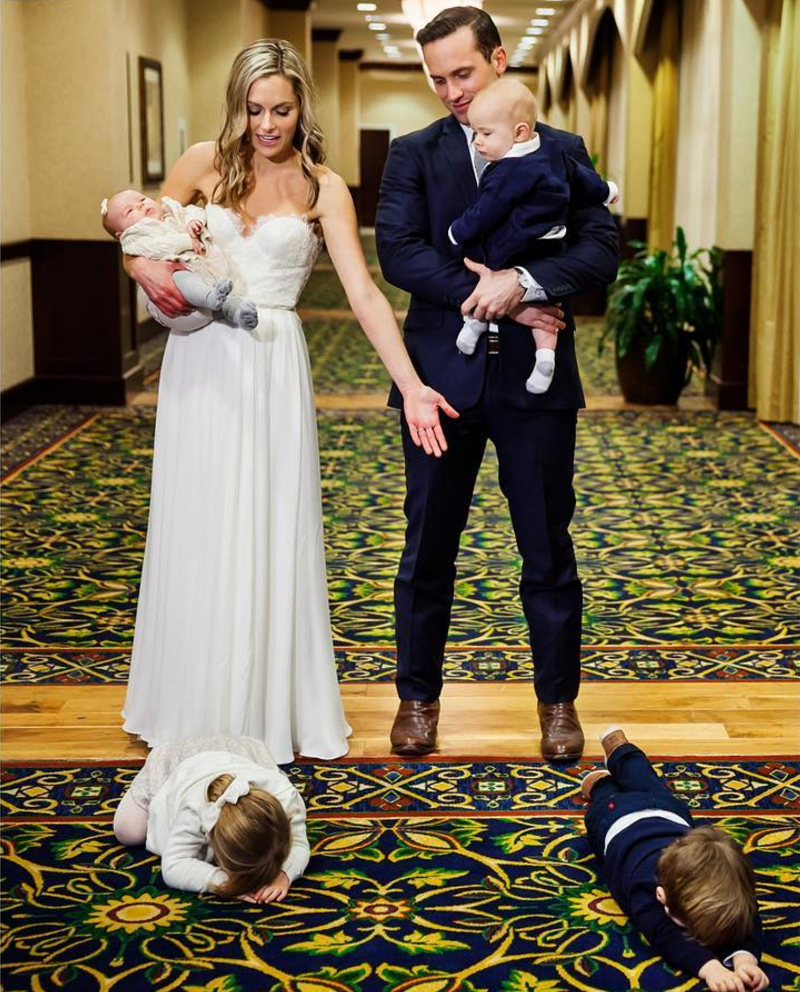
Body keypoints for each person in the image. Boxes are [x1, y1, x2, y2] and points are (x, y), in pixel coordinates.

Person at [121, 39, 458, 763]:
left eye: (280, 110)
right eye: (253, 110)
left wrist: (411, 385)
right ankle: (190, 701)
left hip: (273, 362)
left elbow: (364, 294)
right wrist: (140, 264)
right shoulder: (201, 163)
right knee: (199, 522)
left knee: (268, 525)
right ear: (236, 107)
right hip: (198, 365)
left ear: (302, 106)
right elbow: (137, 228)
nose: (267, 125)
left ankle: (266, 707)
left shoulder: (323, 188)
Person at [375, 7, 619, 760]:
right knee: (427, 547)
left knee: (546, 547)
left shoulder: (561, 148)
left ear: (499, 60)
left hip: (535, 390)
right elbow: (400, 253)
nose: (451, 91)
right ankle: (417, 699)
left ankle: (558, 705)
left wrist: (527, 282)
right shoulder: (413, 153)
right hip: (438, 382)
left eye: (464, 73)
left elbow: (600, 249)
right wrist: (490, 294)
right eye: (437, 78)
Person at [448, 78, 619, 394]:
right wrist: (607, 191)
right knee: (545, 310)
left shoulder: (516, 168)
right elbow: (585, 181)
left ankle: (476, 324)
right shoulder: (553, 153)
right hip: (446, 369)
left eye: (485, 134)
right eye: (438, 79)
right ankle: (544, 356)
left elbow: (483, 213)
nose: (477, 142)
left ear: (519, 132)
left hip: (514, 249)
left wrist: (457, 232)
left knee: (531, 298)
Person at [583, 728, 768, 992]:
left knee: (645, 780)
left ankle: (617, 761)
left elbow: (747, 921)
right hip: (614, 818)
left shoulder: (733, 893)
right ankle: (607, 773)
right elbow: (665, 935)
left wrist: (745, 959)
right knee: (613, 792)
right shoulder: (644, 889)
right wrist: (711, 968)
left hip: (669, 810)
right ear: (662, 897)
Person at [113, 735, 307, 902]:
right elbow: (174, 865)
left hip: (244, 754)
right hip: (178, 761)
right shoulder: (196, 808)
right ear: (216, 844)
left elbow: (299, 843)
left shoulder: (285, 797)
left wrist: (284, 873)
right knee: (128, 832)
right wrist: (228, 883)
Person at [101, 189, 258, 330]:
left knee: (223, 269)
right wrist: (187, 241)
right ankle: (210, 298)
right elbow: (158, 247)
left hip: (208, 266)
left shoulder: (171, 211)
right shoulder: (135, 238)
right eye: (129, 210)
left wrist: (193, 221)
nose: (140, 205)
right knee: (182, 278)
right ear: (121, 234)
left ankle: (233, 309)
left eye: (141, 199)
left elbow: (193, 210)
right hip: (183, 278)